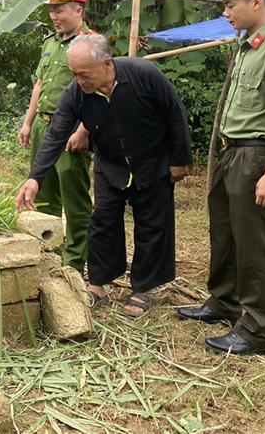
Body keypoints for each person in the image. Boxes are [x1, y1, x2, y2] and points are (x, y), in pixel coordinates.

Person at [177, 0, 265, 355]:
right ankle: (224, 301)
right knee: (225, 232)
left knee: (255, 242)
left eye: (231, 4)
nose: (225, 12)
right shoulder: (248, 46)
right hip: (232, 153)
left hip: (256, 157)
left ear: (256, 1)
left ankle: (255, 328)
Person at [16, 34, 192, 316]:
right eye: (74, 74)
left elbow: (174, 115)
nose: (79, 80)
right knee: (103, 221)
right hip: (110, 163)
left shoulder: (144, 75)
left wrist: (179, 161)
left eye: (83, 74)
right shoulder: (76, 93)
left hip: (152, 160)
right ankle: (98, 283)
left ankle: (142, 288)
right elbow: (56, 135)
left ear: (107, 64)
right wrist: (35, 177)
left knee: (151, 224)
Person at [17, 0, 94, 273]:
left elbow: (97, 92)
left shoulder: (90, 44)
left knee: (73, 199)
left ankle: (74, 262)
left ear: (78, 9)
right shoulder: (50, 42)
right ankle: (49, 252)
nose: (54, 16)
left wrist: (83, 130)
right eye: (51, 10)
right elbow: (39, 84)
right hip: (42, 126)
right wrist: (27, 123)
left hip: (70, 129)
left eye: (59, 10)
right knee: (43, 193)